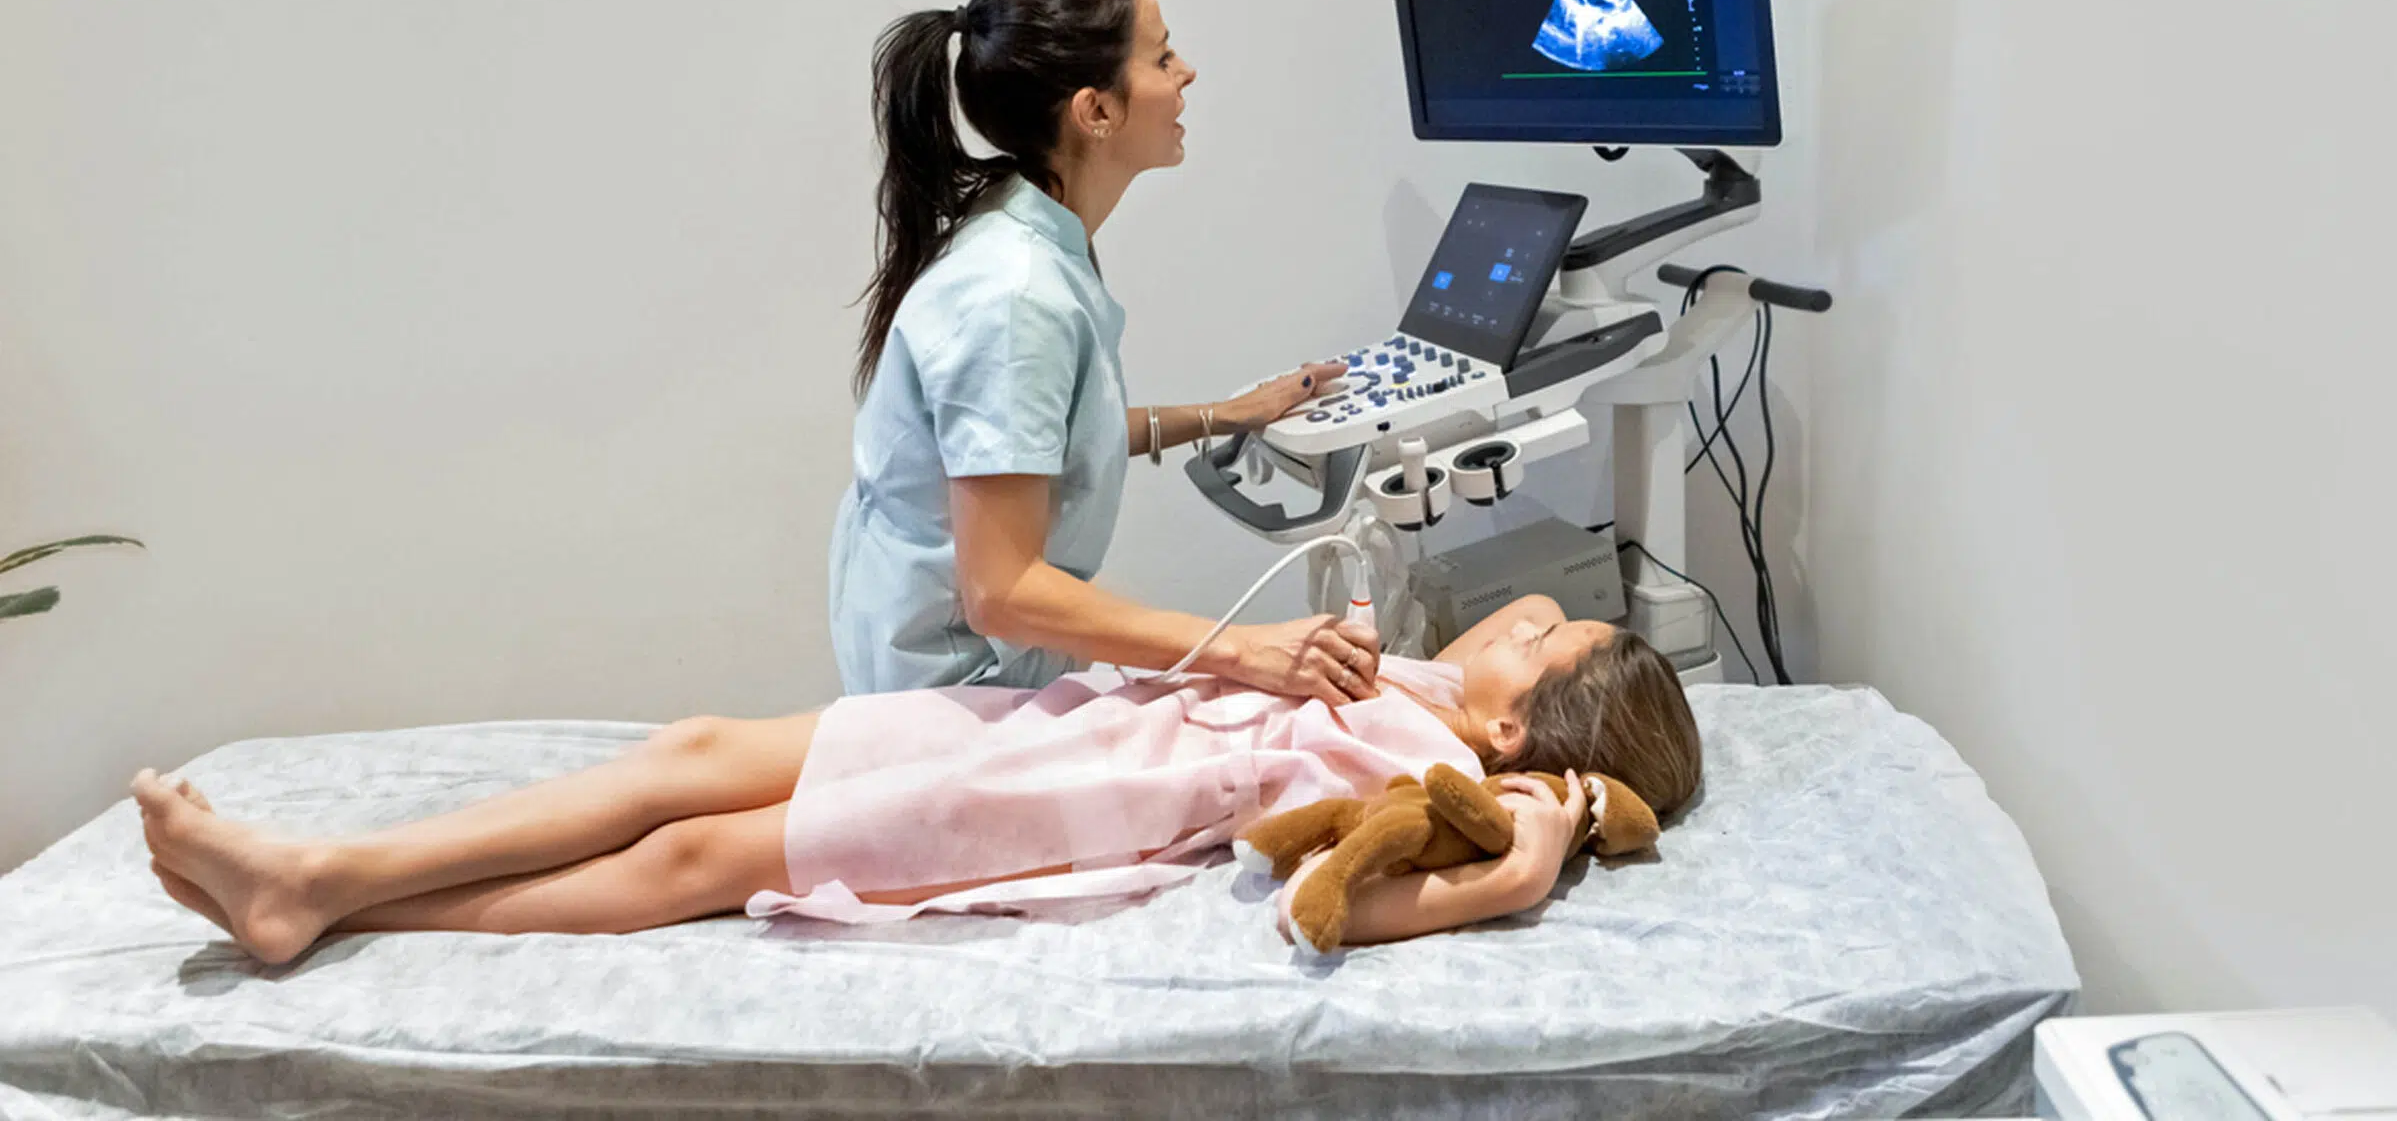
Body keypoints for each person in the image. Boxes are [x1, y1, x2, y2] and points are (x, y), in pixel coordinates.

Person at [131, 597, 1702, 966]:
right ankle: (329, 874)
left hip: (1055, 800)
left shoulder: (1447, 766)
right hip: (1036, 723)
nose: (1527, 611)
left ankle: (324, 897)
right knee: (688, 754)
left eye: (1546, 638)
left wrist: (1523, 862)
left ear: (1521, 736)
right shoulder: (1424, 690)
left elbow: (1336, 898)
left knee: (696, 860)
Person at [836, 0, 1377, 703]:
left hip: (987, 669)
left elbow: (1034, 441)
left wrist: (1228, 415)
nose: (1187, 72)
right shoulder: (1014, 297)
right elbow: (1003, 592)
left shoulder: (1029, 228)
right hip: (962, 696)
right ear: (1095, 111)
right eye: (1162, 57)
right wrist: (1241, 648)